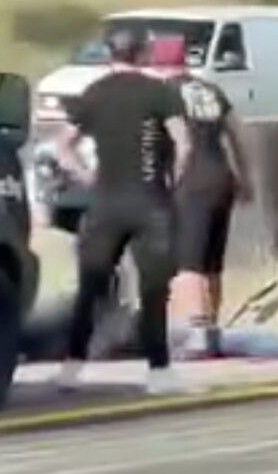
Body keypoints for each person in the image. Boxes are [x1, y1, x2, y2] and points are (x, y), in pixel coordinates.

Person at [54, 27, 193, 393]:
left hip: (106, 200)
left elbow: (63, 146)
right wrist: (172, 180)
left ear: (109, 54)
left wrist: (85, 177)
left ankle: (72, 366)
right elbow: (184, 143)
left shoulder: (94, 93)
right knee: (153, 289)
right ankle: (159, 371)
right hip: (149, 200)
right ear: (144, 53)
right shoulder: (159, 92)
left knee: (91, 284)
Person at [151, 35, 254, 358]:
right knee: (212, 261)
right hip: (221, 177)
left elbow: (177, 144)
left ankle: (197, 335)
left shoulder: (164, 94)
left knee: (189, 260)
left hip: (191, 181)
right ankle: (213, 328)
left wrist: (170, 182)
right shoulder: (211, 90)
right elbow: (237, 134)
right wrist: (244, 177)